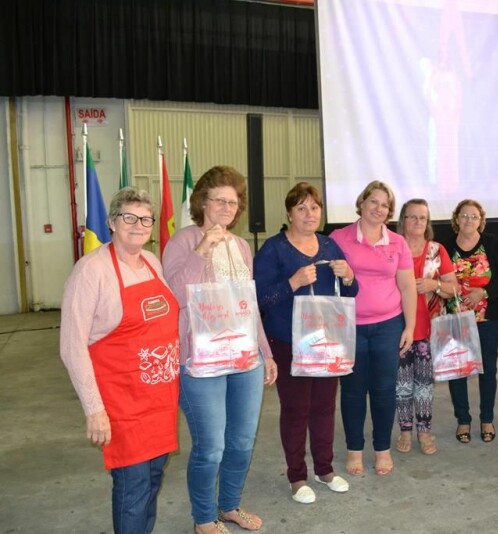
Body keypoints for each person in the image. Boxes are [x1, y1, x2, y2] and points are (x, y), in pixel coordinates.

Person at [162, 166, 278, 534]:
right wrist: (201, 251)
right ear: (202, 202)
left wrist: (266, 352)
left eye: (234, 202)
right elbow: (174, 297)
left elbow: (248, 303)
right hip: (200, 361)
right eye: (220, 200)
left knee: (242, 441)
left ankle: (229, 505)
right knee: (210, 446)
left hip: (245, 357)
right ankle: (203, 517)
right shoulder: (182, 241)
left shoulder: (241, 245)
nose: (228, 207)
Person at [60, 188, 180, 534]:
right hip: (122, 403)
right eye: (129, 217)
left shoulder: (152, 263)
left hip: (158, 400)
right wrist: (94, 409)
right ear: (112, 222)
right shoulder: (91, 271)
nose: (138, 225)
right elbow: (72, 346)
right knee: (133, 485)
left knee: (154, 477)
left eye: (145, 219)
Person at [254, 183, 357, 504]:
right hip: (288, 341)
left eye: (314, 207)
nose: (309, 214)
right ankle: (297, 476)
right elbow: (260, 298)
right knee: (297, 409)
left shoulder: (330, 246)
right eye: (301, 208)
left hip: (327, 339)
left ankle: (324, 469)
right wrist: (293, 282)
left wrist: (350, 276)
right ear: (289, 213)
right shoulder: (273, 249)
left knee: (325, 407)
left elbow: (351, 294)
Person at [330, 181, 416, 477]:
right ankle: (354, 448)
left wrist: (410, 326)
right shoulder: (339, 238)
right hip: (349, 328)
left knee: (383, 390)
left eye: (385, 205)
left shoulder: (397, 243)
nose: (379, 209)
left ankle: (382, 448)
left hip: (388, 326)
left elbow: (407, 286)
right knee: (352, 391)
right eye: (374, 202)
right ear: (362, 202)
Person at [442, 199, 498, 444]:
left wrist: (484, 292)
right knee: (457, 369)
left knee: (488, 369)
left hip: (487, 318)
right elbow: (435, 276)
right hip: (455, 318)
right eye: (464, 215)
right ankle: (463, 419)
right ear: (456, 219)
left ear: (481, 220)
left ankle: (487, 418)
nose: (468, 220)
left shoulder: (492, 243)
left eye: (474, 216)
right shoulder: (445, 245)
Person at [394, 199, 458, 455]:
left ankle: (424, 431)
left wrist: (435, 286)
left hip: (429, 330)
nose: (418, 222)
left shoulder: (437, 250)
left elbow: (454, 289)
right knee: (401, 385)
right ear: (403, 220)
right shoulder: (393, 248)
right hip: (398, 328)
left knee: (424, 384)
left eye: (422, 217)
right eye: (412, 217)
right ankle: (405, 431)